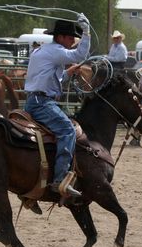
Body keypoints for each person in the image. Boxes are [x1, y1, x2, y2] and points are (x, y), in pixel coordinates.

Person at [23, 13, 91, 199]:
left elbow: (54, 78)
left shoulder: (42, 51)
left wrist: (68, 72)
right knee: (67, 130)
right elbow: (80, 54)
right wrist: (86, 31)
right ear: (60, 37)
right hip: (42, 103)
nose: (72, 41)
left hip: (33, 101)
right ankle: (60, 179)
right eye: (70, 38)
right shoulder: (56, 51)